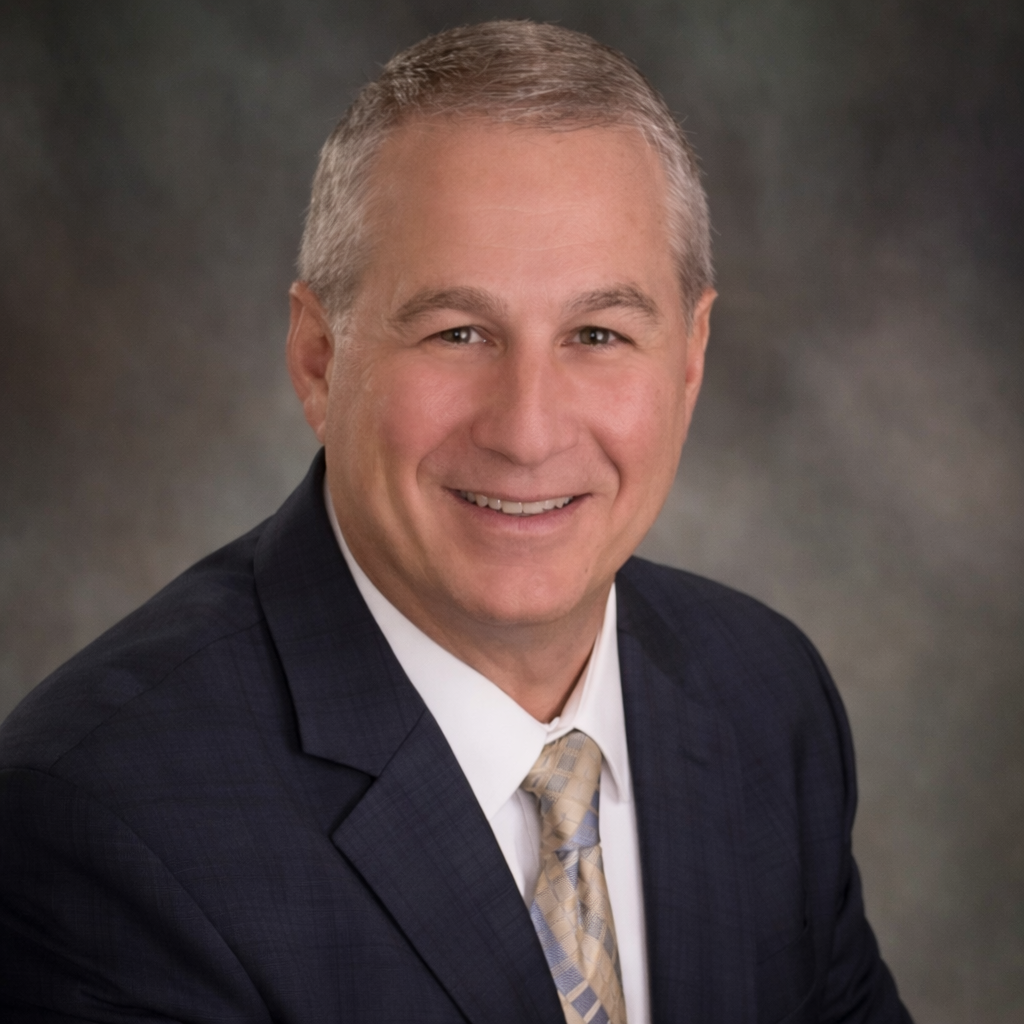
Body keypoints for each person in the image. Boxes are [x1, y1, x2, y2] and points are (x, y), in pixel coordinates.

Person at [0, 20, 911, 1024]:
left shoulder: (765, 697)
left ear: (689, 360)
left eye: (597, 333)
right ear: (318, 359)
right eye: (459, 332)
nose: (527, 430)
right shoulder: (106, 820)